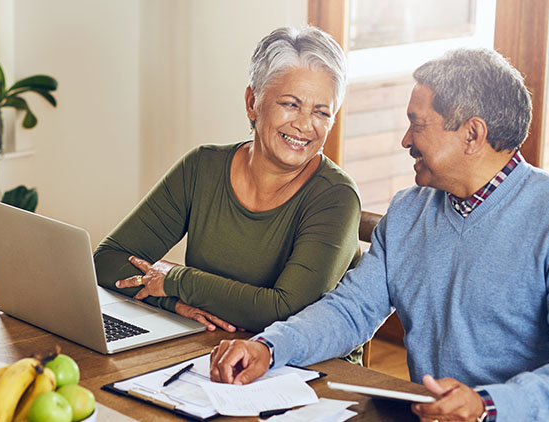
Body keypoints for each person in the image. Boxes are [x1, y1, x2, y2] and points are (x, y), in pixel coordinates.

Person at [209, 47, 549, 422]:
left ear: (472, 135)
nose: (406, 140)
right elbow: (350, 311)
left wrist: (488, 406)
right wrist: (270, 347)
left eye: (417, 125)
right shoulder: (409, 209)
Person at [93, 26, 362, 337]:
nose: (304, 125)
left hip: (304, 368)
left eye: (321, 112)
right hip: (206, 347)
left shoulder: (336, 197)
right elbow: (108, 261)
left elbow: (286, 311)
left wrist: (175, 279)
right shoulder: (202, 167)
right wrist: (173, 302)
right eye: (291, 104)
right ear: (252, 101)